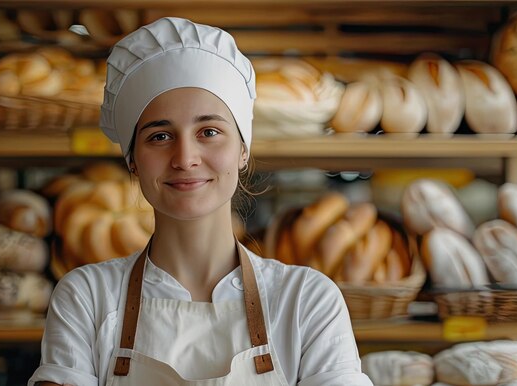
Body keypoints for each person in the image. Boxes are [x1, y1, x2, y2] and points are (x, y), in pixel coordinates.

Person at [29, 17, 373, 386]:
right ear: (132, 160)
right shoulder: (87, 297)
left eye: (209, 132)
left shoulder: (306, 300)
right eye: (160, 136)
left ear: (242, 150)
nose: (185, 157)